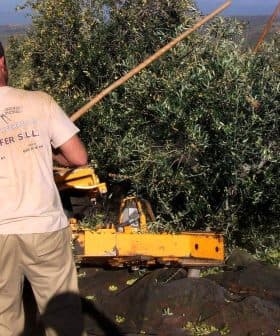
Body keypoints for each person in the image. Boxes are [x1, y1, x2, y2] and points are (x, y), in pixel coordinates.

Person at [0, 41, 88, 336]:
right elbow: (78, 158)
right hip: (43, 225)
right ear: (2, 64)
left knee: (2, 319)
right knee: (61, 318)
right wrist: (48, 152)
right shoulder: (39, 101)